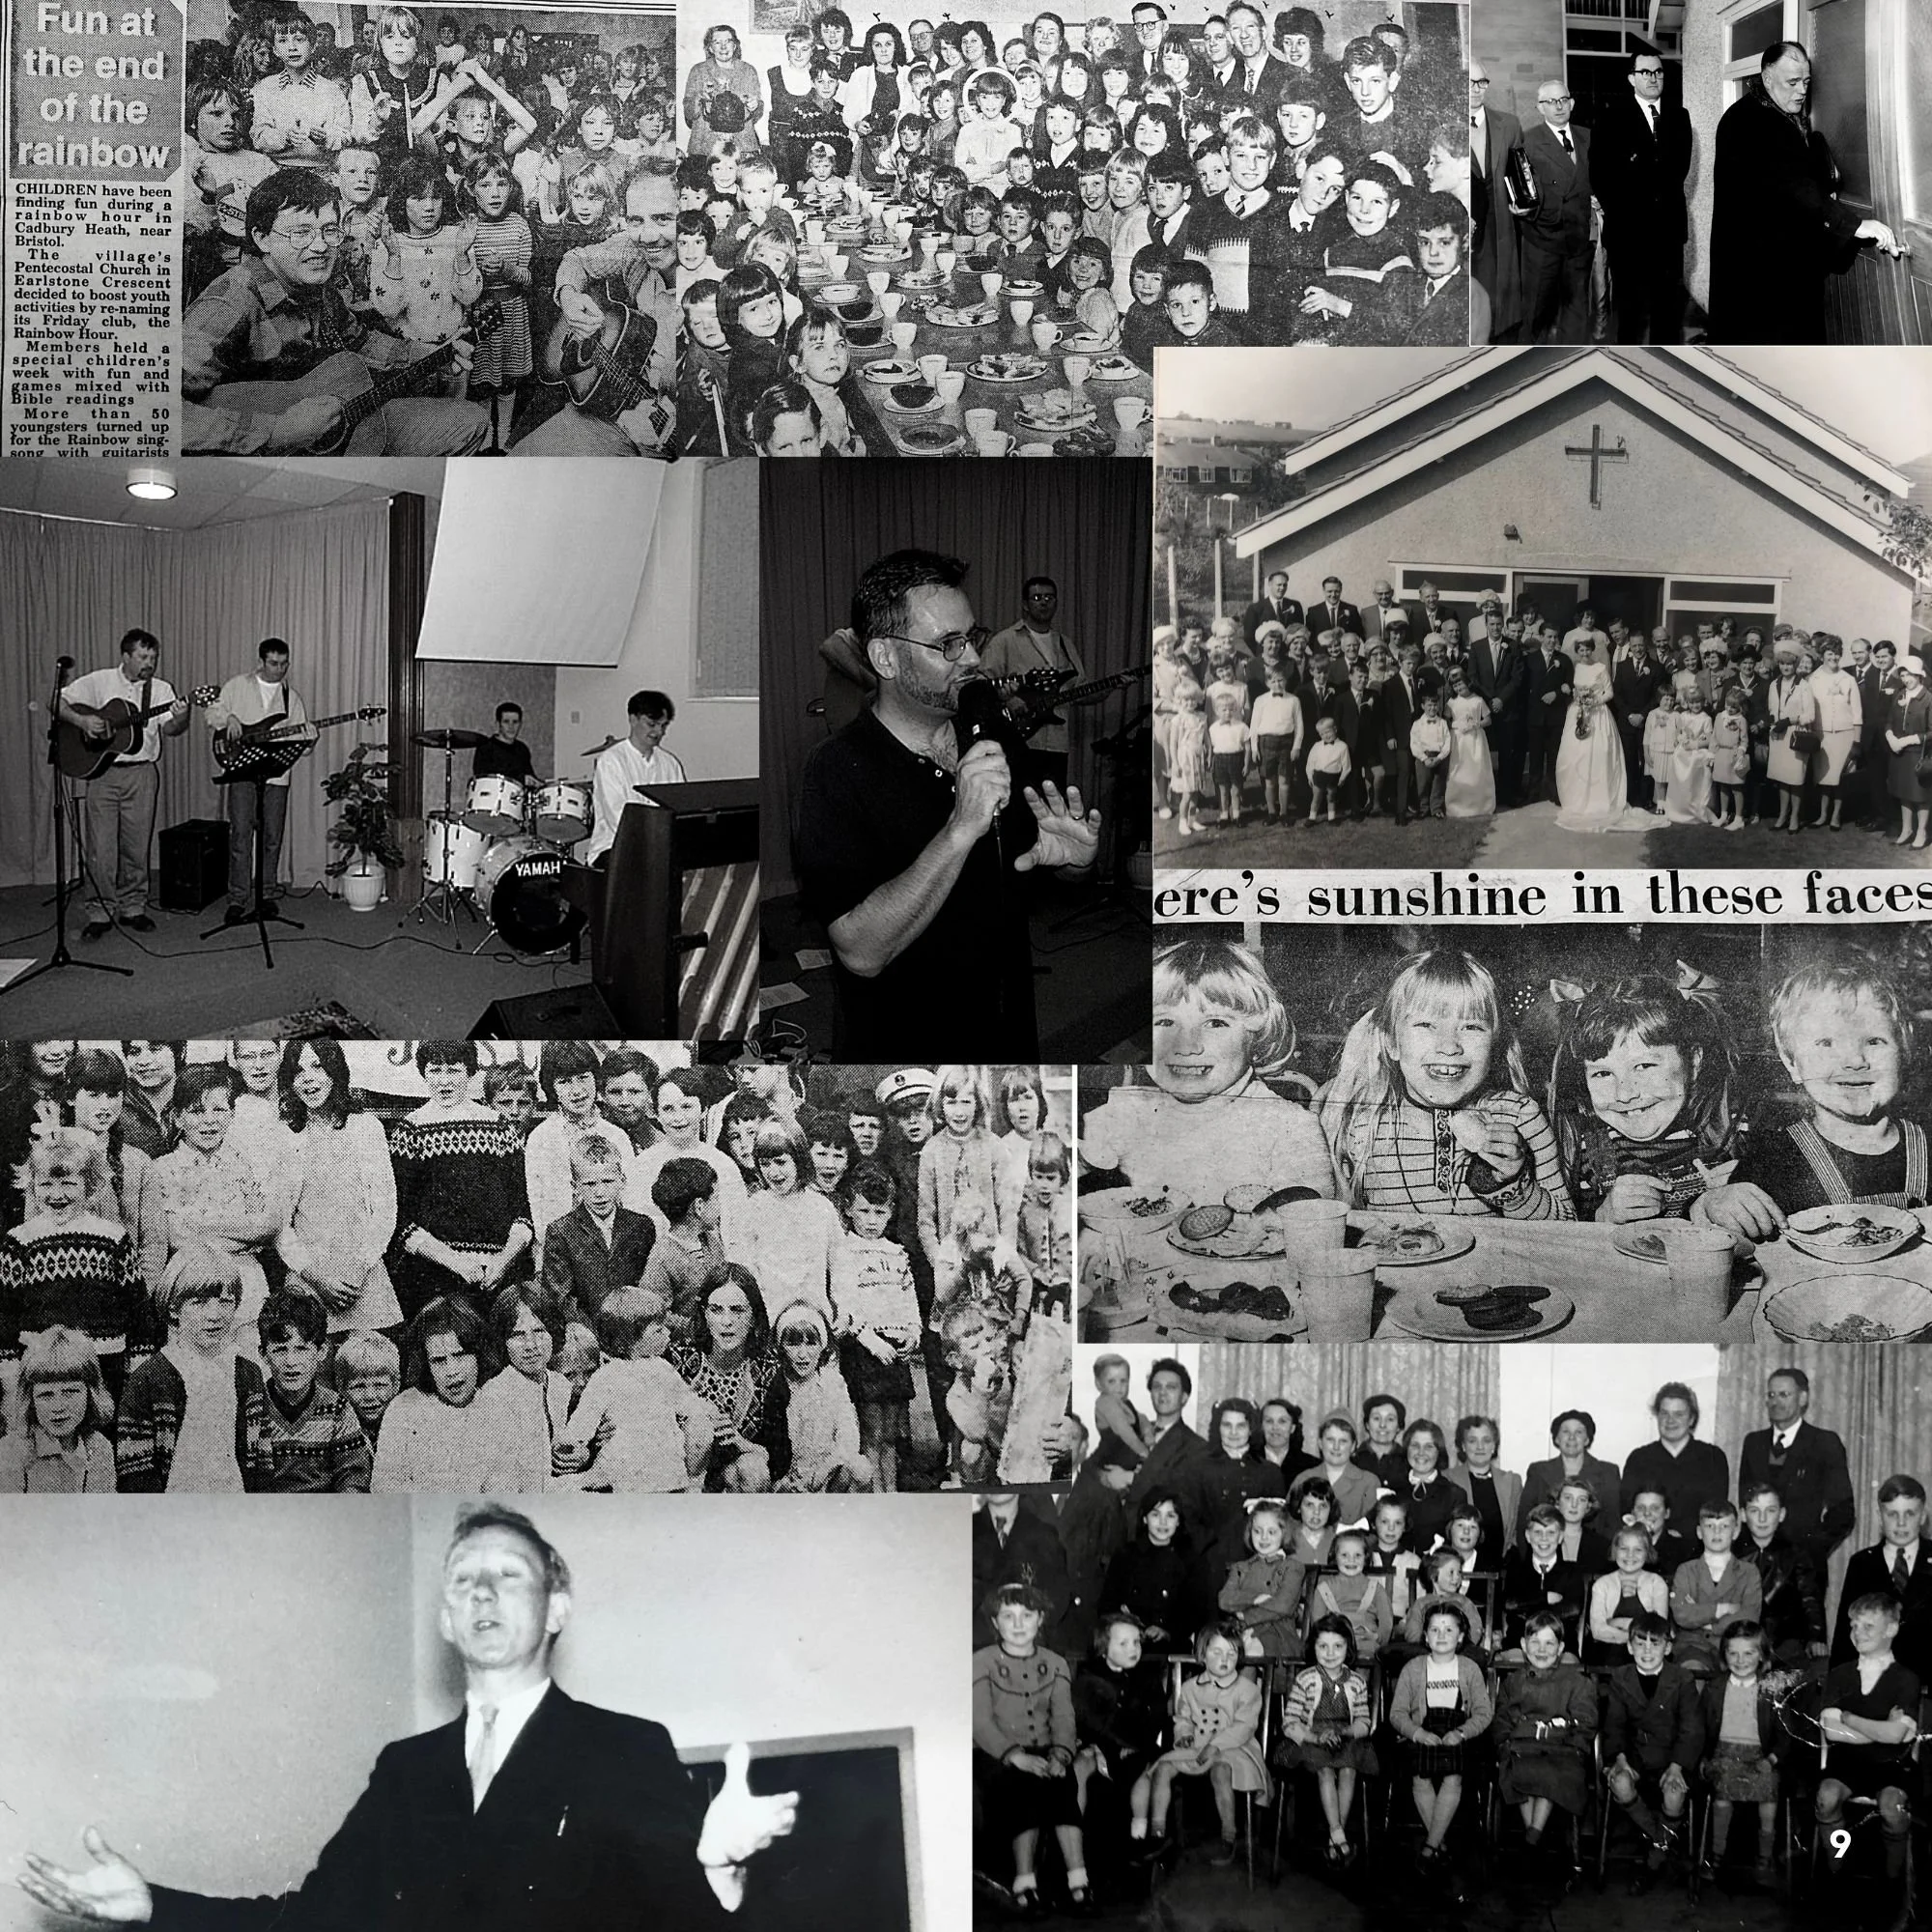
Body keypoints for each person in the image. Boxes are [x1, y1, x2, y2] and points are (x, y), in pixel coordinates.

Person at [22, 1505, 798, 1925]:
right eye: (464, 1580)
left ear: (557, 1607)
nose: (483, 1594)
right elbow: (309, 1921)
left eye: (509, 1576)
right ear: (445, 1620)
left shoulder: (627, 1749)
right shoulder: (406, 1769)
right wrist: (157, 1904)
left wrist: (717, 1870)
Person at [792, 551, 1100, 1057]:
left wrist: (1069, 863)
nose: (974, 659)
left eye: (971, 637)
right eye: (947, 644)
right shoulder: (835, 770)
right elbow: (860, 951)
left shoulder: (990, 732)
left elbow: (1028, 858)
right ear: (885, 658)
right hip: (906, 1048)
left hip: (1006, 1031)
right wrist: (960, 828)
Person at [181, 168, 487, 454]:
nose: (319, 247)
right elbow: (156, 405)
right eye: (301, 233)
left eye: (329, 231)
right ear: (262, 239)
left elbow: (362, 342)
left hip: (328, 429)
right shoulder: (229, 303)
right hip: (257, 452)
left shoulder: (320, 288)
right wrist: (276, 431)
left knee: (469, 421)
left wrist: (433, 356)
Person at [1708, 41, 1902, 345]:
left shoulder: (1780, 115)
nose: (1802, 90)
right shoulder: (1746, 121)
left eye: (1806, 82)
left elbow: (1803, 181)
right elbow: (1789, 184)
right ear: (1767, 78)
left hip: (1782, 270)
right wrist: (1855, 225)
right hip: (1759, 278)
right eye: (1793, 82)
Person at [58, 630, 194, 939]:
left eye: (154, 657)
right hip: (103, 774)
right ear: (126, 657)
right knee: (101, 849)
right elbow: (58, 703)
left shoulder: (160, 689)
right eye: (144, 657)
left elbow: (172, 729)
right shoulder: (99, 681)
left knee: (136, 846)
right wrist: (82, 722)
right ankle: (99, 910)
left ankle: (133, 907)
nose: (150, 663)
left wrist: (182, 716)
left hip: (142, 774)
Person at [207, 638, 313, 924]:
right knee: (241, 834)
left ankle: (265, 894)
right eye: (274, 663)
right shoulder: (237, 685)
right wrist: (228, 718)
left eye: (284, 664)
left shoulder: (293, 698)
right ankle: (237, 898)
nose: (280, 670)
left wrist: (309, 740)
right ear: (261, 662)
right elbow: (211, 712)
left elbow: (303, 743)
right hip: (242, 772)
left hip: (277, 776)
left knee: (272, 836)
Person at [1590, 53, 1690, 345]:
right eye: (1645, 72)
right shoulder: (1611, 118)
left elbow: (1677, 172)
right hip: (1628, 234)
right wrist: (1627, 211)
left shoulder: (1679, 117)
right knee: (1631, 316)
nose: (1653, 77)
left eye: (1658, 72)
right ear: (1632, 78)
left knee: (1668, 314)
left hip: (1669, 233)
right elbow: (1600, 175)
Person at [1737, 1367, 1855, 1574]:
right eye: (1771, 1395)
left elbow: (1843, 1512)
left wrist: (1812, 1550)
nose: (1775, 1402)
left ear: (1803, 1399)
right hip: (1756, 1563)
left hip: (1803, 1567)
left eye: (1784, 1395)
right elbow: (1745, 1501)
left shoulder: (1824, 1443)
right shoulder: (1753, 1443)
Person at [978, 577, 1089, 795]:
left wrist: (1114, 686)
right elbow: (979, 685)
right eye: (1037, 597)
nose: (1044, 602)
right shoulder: (1005, 640)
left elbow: (1080, 690)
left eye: (1049, 597)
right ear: (1025, 604)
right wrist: (1008, 699)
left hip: (1057, 744)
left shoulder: (1065, 644)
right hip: (1017, 742)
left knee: (1052, 808)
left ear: (1056, 602)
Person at [1516, 79, 1593, 345]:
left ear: (1571, 103)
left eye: (1563, 100)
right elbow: (1518, 190)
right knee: (1536, 314)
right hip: (1543, 242)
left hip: (1579, 242)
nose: (1559, 106)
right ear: (1540, 107)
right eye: (1551, 102)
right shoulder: (1528, 140)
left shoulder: (1588, 137)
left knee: (1576, 315)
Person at [583, 690, 687, 866]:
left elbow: (680, 809)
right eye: (652, 724)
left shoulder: (670, 763)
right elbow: (618, 820)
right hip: (614, 847)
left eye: (663, 725)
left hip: (658, 847)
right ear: (633, 720)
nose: (659, 732)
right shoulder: (611, 761)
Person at [472, 701, 537, 784]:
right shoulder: (485, 747)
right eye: (506, 722)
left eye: (515, 722)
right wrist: (520, 779)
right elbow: (484, 778)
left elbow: (529, 776)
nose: (511, 726)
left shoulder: (522, 749)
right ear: (498, 723)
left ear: (520, 724)